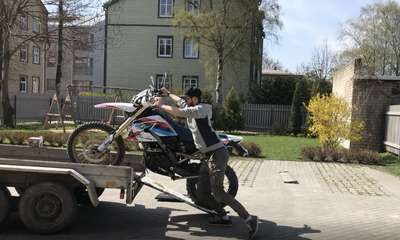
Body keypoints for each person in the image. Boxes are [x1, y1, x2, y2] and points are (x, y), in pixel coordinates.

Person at [154, 86, 259, 239]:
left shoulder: (201, 109)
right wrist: (168, 94)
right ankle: (223, 217)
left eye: (187, 99)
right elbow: (180, 103)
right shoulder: (192, 106)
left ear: (195, 99)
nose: (185, 101)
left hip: (217, 155)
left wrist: (161, 106)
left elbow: (180, 112)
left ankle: (249, 219)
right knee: (201, 192)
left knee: (219, 193)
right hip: (207, 157)